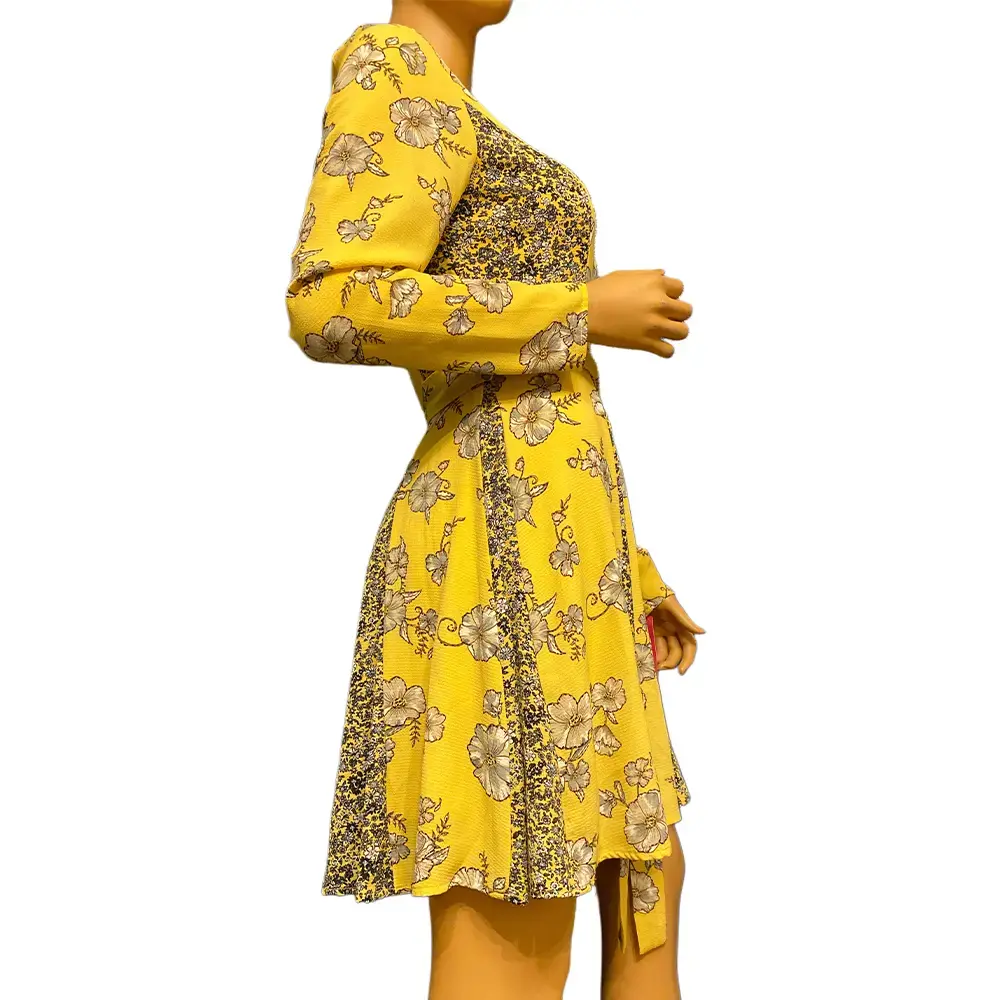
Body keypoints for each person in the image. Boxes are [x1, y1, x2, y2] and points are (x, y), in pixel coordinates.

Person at [285, 2, 705, 997]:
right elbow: (330, 300)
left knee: (645, 870)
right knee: (521, 890)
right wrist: (579, 307)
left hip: (566, 559)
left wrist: (627, 569)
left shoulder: (455, 107)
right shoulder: (390, 67)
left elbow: (550, 400)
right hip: (493, 547)